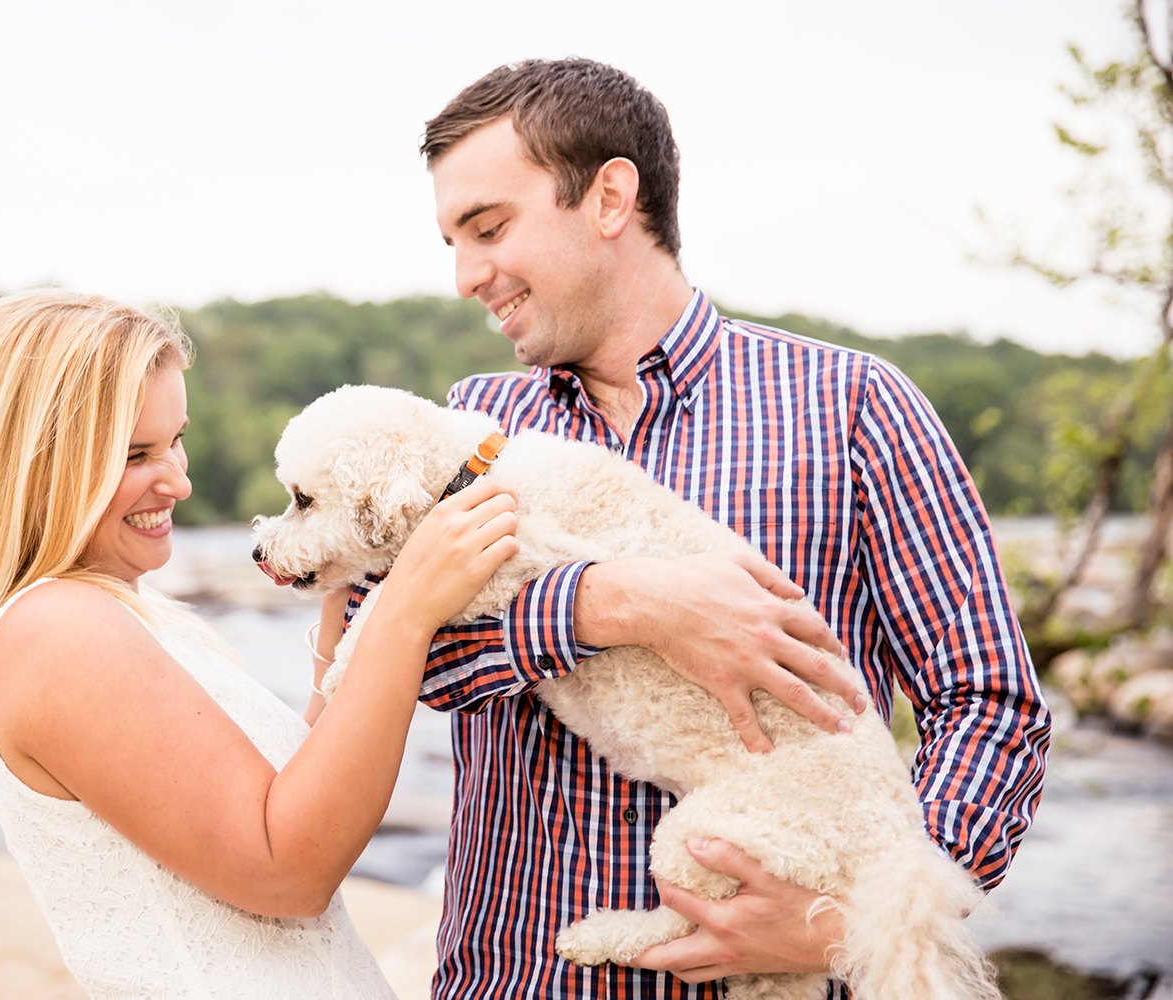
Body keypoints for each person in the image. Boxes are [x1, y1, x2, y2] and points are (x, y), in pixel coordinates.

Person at [341, 59, 1052, 999]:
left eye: (488, 228)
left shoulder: (856, 408)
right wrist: (605, 602)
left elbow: (989, 703)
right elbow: (384, 654)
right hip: (506, 980)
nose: (469, 275)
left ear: (609, 197)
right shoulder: (471, 428)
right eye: (453, 243)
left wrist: (860, 921)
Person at [0, 288, 520, 999]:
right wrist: (406, 609)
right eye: (137, 453)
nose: (177, 479)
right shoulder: (58, 631)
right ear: (39, 467)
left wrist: (346, 600)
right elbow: (287, 868)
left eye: (176, 440)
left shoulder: (123, 613)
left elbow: (294, 801)